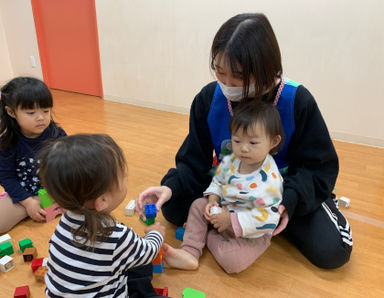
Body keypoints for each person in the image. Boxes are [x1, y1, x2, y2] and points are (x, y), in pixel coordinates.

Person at [137, 13, 352, 269]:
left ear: (266, 69)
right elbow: (194, 161)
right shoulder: (208, 99)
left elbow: (319, 168)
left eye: (238, 76)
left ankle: (255, 227)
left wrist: (287, 204)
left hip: (279, 194)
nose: (227, 84)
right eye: (219, 71)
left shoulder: (297, 101)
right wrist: (169, 188)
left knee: (334, 250)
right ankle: (240, 228)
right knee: (173, 208)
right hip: (232, 187)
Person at [39, 134, 166, 297]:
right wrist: (156, 233)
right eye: (123, 177)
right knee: (140, 265)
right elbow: (149, 251)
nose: (125, 180)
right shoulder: (116, 236)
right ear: (103, 200)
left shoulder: (65, 221)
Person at [163, 102, 284, 273]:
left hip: (250, 233)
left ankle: (205, 235)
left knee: (233, 262)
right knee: (198, 205)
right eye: (237, 140)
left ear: (273, 141)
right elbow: (218, 181)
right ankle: (189, 251)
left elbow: (268, 219)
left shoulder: (270, 180)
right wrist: (213, 199)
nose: (243, 148)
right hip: (223, 213)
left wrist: (231, 220)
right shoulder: (232, 160)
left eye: (253, 143)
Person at [0, 77, 66, 233]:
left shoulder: (57, 134)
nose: (41, 117)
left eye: (45, 110)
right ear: (11, 112)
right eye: (31, 112)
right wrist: (28, 202)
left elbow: (68, 165)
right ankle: (38, 204)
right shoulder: (7, 142)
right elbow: (6, 177)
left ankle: (48, 203)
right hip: (24, 192)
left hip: (56, 189)